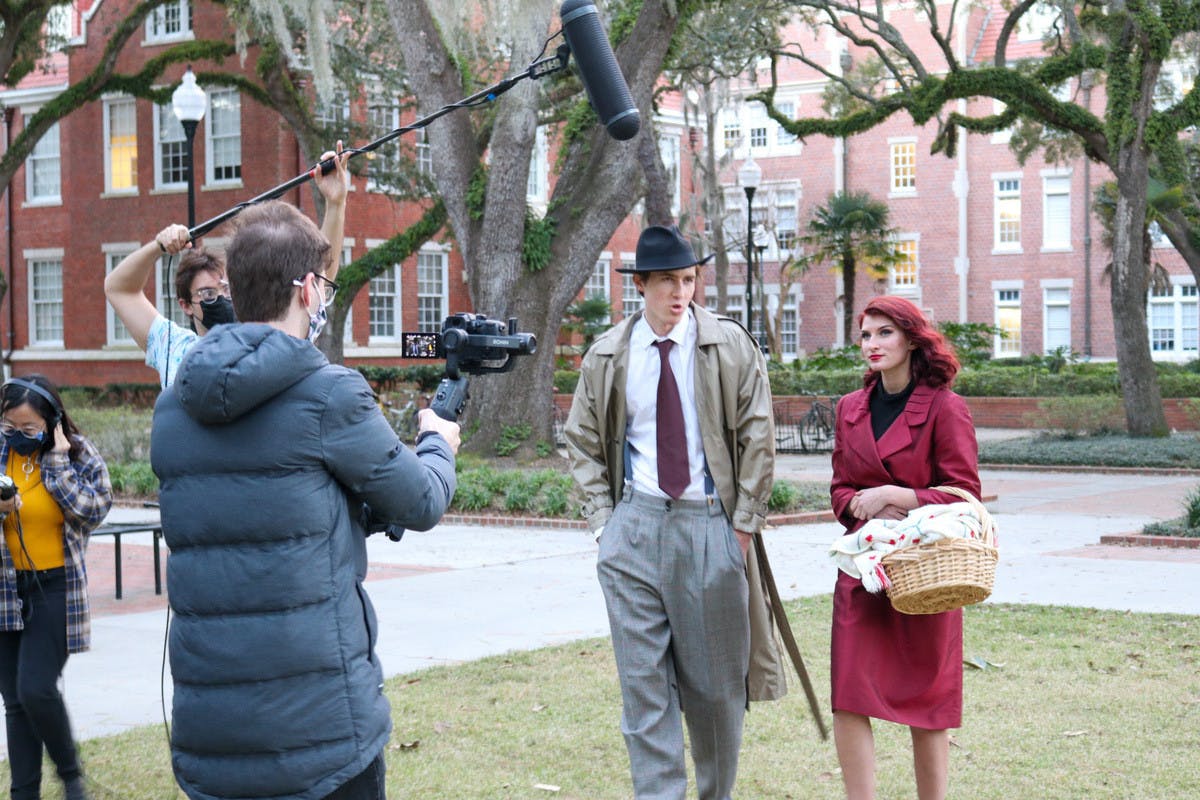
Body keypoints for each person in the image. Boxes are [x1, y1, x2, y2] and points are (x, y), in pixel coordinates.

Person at [150, 199, 460, 800]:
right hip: (323, 738)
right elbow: (422, 501)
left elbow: (264, 511)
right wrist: (437, 442)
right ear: (307, 290)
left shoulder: (172, 406)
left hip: (212, 735)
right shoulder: (329, 394)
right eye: (323, 283)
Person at [563, 224, 775, 800]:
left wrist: (740, 530)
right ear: (641, 286)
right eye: (667, 282)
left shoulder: (729, 346)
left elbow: (759, 438)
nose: (680, 293)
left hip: (709, 526)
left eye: (688, 280)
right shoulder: (608, 355)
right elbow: (581, 440)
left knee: (715, 693)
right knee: (644, 692)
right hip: (633, 527)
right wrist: (605, 525)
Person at [828, 295, 980, 800]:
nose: (872, 344)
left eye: (885, 333)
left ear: (913, 339)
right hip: (865, 572)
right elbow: (840, 488)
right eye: (866, 334)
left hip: (926, 574)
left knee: (928, 704)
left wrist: (900, 496)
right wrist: (860, 505)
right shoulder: (849, 408)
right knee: (849, 696)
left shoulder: (945, 407)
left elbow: (965, 493)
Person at [104, 143, 350, 388]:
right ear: (185, 305)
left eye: (225, 288)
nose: (221, 299)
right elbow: (118, 288)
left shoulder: (267, 341)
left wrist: (336, 203)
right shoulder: (174, 347)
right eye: (208, 294)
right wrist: (158, 246)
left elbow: (317, 277)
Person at [0, 375, 113, 800]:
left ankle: (70, 777)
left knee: (35, 688)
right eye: (9, 427)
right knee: (15, 700)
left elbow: (93, 511)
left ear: (52, 423)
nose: (17, 436)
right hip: (5, 591)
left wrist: (58, 465)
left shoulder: (78, 453)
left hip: (55, 587)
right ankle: (23, 793)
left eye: (28, 429)